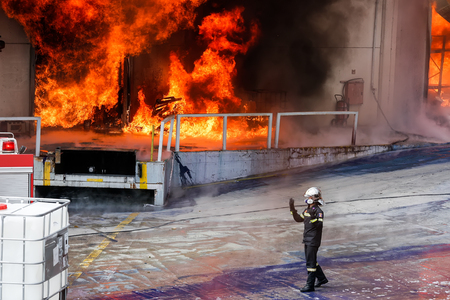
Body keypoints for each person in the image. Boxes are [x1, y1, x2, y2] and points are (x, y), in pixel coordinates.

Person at [289, 186, 328, 292]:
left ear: (314, 198)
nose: (307, 199)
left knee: (310, 264)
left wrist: (313, 219)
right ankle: (322, 278)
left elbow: (319, 225)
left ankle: (310, 285)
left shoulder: (318, 211)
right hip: (307, 239)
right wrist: (292, 209)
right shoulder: (307, 210)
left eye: (309, 197)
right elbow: (298, 219)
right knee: (312, 261)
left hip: (313, 240)